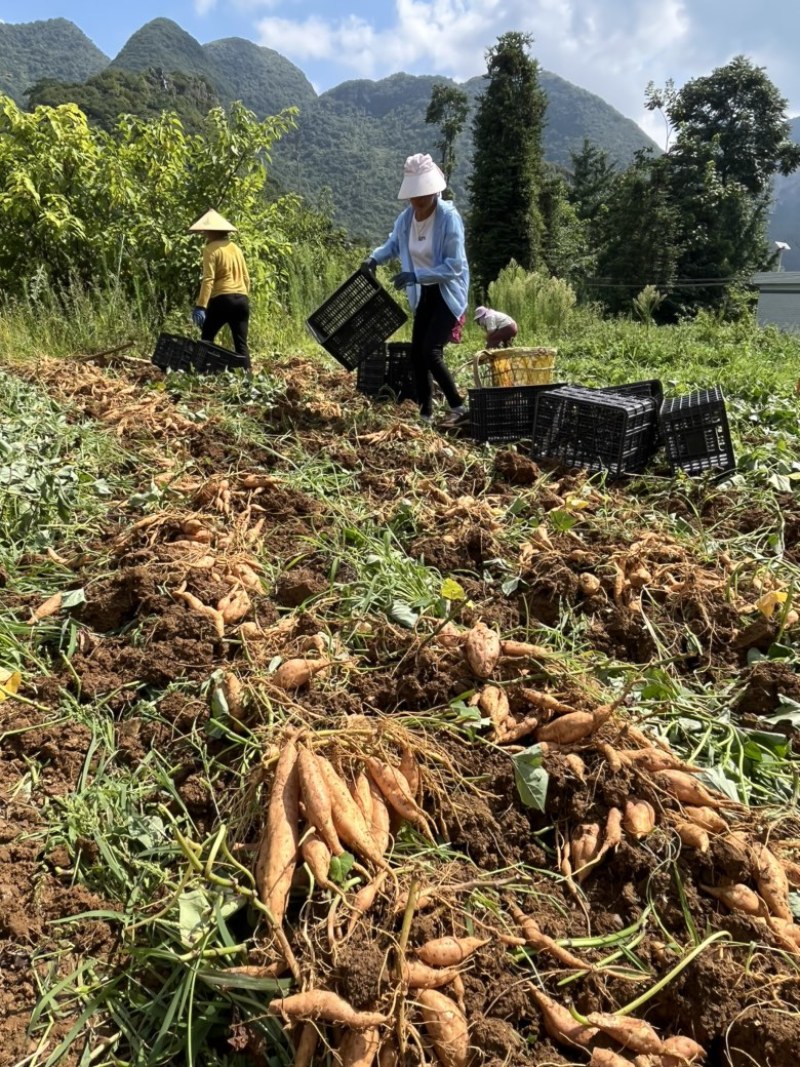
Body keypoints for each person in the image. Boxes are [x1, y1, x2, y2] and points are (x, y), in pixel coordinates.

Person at [363, 154, 469, 424]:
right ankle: (426, 413)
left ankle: (458, 407)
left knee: (431, 351)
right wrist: (373, 258)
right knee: (416, 354)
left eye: (424, 195)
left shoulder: (448, 218)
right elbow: (392, 245)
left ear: (434, 192)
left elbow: (454, 266)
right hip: (424, 294)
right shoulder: (406, 219)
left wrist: (417, 275)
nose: (419, 202)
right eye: (415, 196)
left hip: (447, 292)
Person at [188, 209, 251, 370]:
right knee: (241, 344)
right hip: (242, 299)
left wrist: (201, 306)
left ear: (213, 231)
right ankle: (249, 379)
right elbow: (246, 278)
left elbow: (208, 279)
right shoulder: (235, 248)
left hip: (223, 299)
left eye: (206, 231)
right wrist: (243, 297)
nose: (204, 234)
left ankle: (199, 373)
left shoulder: (211, 249)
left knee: (207, 337)